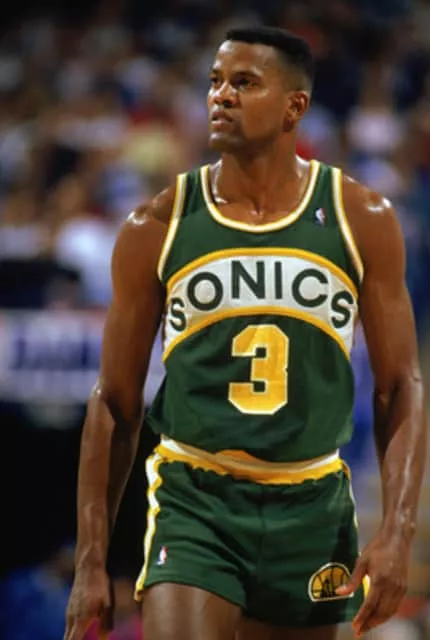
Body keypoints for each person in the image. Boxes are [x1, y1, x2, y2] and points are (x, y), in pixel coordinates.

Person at [64, 26, 427, 640]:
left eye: (244, 82)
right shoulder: (156, 224)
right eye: (214, 82)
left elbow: (401, 386)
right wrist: (90, 561)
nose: (221, 96)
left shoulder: (360, 217)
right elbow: (114, 403)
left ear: (295, 107)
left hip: (313, 502)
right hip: (196, 497)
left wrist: (398, 530)